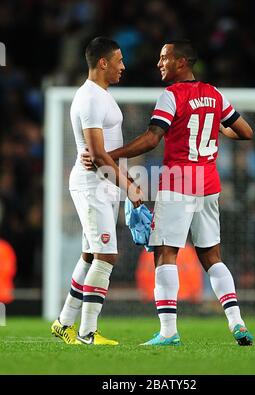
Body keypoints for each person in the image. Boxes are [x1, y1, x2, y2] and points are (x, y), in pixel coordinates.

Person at [82, 39, 254, 346]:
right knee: (212, 257)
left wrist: (111, 154)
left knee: (165, 254)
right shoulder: (214, 94)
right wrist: (214, 127)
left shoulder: (171, 95)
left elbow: (152, 139)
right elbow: (245, 132)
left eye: (165, 58)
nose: (160, 63)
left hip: (179, 183)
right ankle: (237, 322)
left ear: (183, 62)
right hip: (210, 184)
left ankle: (168, 331)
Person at [51, 36, 142, 345]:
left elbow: (104, 153)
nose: (123, 66)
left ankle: (64, 322)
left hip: (103, 183)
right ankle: (88, 332)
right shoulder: (90, 98)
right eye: (119, 60)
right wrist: (129, 186)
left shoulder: (101, 95)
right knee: (107, 255)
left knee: (91, 255)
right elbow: (98, 155)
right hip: (93, 184)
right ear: (103, 62)